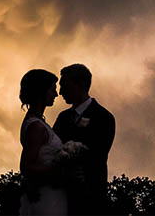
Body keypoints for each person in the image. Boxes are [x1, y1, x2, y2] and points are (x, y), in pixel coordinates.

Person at [52, 64, 116, 216]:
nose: (60, 92)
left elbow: (98, 155)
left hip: (90, 197)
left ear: (79, 84)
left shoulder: (103, 117)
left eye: (64, 86)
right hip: (61, 194)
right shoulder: (63, 117)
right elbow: (53, 147)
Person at [19, 69, 68, 216]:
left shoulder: (39, 122)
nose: (56, 94)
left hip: (52, 195)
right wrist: (62, 174)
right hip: (46, 199)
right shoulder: (36, 127)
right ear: (41, 91)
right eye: (52, 89)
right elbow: (26, 166)